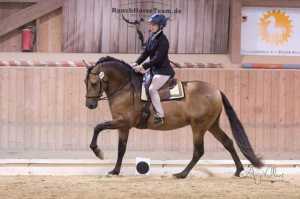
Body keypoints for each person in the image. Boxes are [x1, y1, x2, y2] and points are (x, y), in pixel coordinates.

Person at [132, 13, 175, 125]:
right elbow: (146, 53)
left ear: (160, 26)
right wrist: (136, 62)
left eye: (153, 24)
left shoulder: (163, 41)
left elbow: (158, 59)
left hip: (163, 71)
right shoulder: (152, 36)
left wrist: (143, 66)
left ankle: (160, 116)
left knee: (152, 89)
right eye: (150, 24)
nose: (150, 26)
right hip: (154, 69)